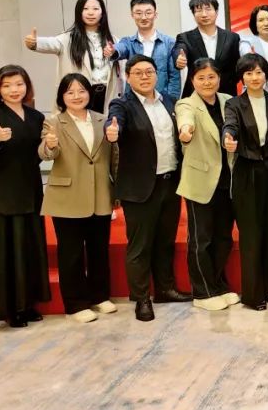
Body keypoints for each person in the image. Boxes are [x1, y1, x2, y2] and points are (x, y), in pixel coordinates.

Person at [106, 55, 191, 322]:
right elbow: (114, 121)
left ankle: (165, 289)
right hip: (140, 187)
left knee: (165, 241)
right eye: (138, 73)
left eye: (149, 72)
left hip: (170, 183)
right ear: (128, 77)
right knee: (140, 246)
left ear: (157, 74)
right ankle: (141, 298)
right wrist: (112, 130)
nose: (145, 77)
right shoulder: (122, 104)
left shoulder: (170, 101)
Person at [0, 65, 50, 327]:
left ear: (27, 86)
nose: (14, 90)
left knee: (28, 250)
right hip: (1, 196)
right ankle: (10, 309)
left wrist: (49, 146)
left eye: (19, 84)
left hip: (30, 190)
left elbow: (38, 154)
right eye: (7, 85)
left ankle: (27, 304)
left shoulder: (36, 117)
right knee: (5, 255)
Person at [39, 73, 116, 323]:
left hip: (99, 194)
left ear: (89, 94)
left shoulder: (102, 119)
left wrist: (115, 140)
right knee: (70, 253)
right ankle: (75, 304)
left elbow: (111, 155)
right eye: (70, 92)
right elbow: (46, 153)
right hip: (67, 195)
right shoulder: (53, 122)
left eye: (81, 91)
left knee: (98, 249)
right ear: (62, 96)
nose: (76, 96)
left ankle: (99, 296)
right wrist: (50, 145)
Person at [223, 53, 268, 311]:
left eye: (259, 72)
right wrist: (228, 138)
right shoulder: (234, 104)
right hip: (248, 172)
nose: (255, 77)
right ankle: (253, 295)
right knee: (251, 234)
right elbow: (230, 126)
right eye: (249, 73)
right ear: (242, 77)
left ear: (266, 75)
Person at [175, 58, 239, 312]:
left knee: (223, 238)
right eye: (201, 78)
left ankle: (218, 286)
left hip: (227, 181)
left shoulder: (228, 101)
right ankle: (202, 292)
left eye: (211, 77)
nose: (207, 82)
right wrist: (185, 131)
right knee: (201, 239)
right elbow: (185, 120)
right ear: (192, 80)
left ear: (219, 78)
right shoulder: (186, 104)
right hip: (200, 182)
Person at [24, 0, 121, 112]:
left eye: (95, 9)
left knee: (104, 123)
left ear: (102, 13)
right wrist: (34, 43)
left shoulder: (113, 40)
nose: (90, 12)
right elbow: (50, 43)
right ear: (79, 12)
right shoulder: (67, 39)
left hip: (106, 96)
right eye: (85, 9)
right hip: (79, 96)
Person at [113, 0, 180, 103]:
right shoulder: (128, 42)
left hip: (161, 99)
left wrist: (172, 102)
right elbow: (120, 49)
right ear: (132, 15)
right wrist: (112, 51)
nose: (143, 17)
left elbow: (174, 77)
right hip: (134, 102)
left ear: (155, 14)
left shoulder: (169, 43)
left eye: (148, 13)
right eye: (138, 13)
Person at [174, 0, 241, 98]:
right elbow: (180, 49)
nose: (204, 14)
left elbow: (237, 67)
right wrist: (178, 58)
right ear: (193, 14)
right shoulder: (185, 37)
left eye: (208, 9)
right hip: (196, 95)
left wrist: (227, 82)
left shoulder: (232, 37)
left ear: (216, 12)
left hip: (226, 95)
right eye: (199, 10)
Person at [240, 4, 268, 97]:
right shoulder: (247, 43)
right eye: (261, 20)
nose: (266, 23)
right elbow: (246, 59)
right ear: (255, 24)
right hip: (256, 97)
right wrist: (250, 58)